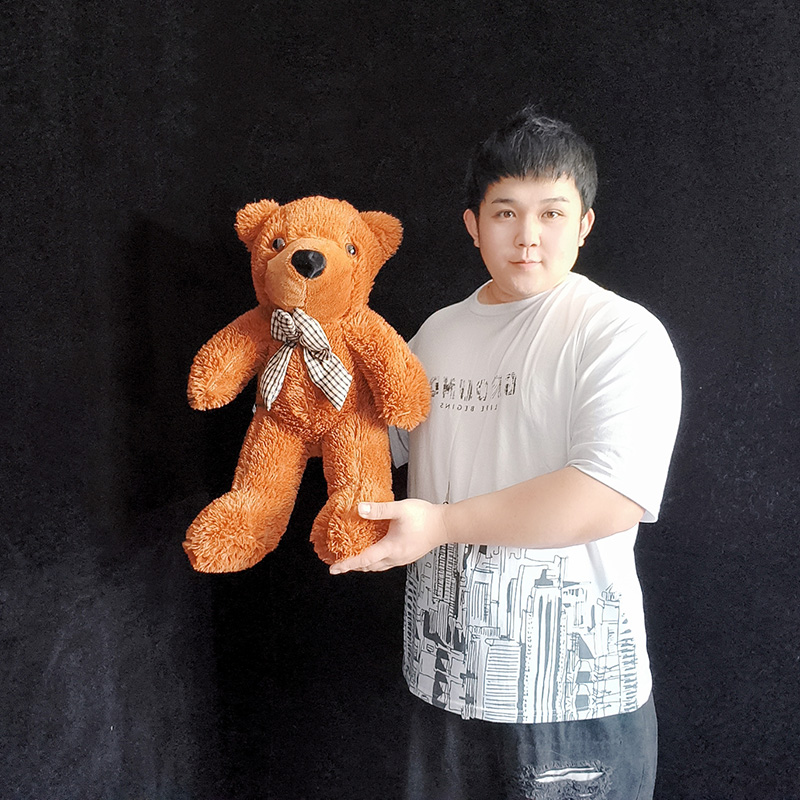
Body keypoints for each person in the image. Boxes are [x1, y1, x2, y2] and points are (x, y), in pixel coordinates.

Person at [330, 108, 681, 800]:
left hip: (571, 703)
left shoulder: (619, 334)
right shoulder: (437, 334)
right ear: (473, 224)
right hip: (439, 686)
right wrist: (304, 369)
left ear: (584, 224)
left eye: (552, 213)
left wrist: (441, 525)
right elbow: (372, 443)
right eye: (505, 213)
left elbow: (609, 497)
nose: (528, 236)